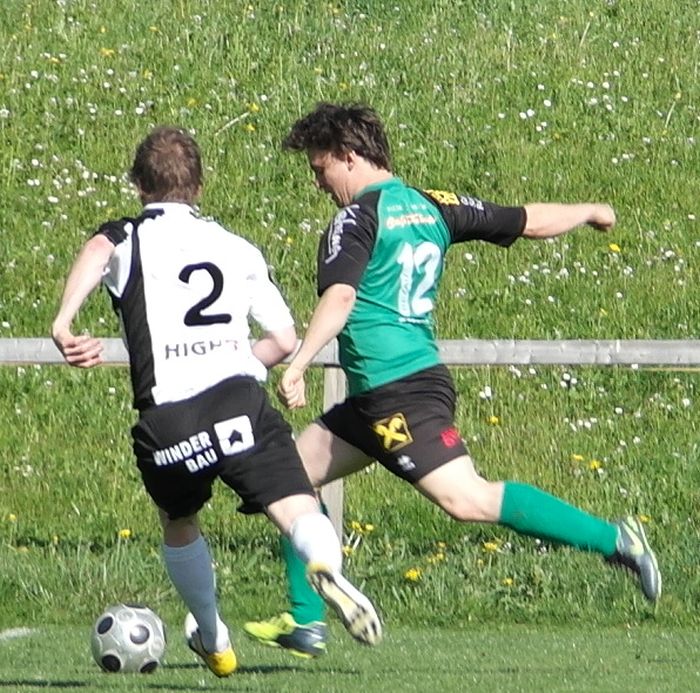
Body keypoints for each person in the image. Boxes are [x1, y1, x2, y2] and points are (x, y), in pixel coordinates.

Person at [243, 102, 661, 657]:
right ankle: (306, 621)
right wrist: (588, 210)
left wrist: (298, 365)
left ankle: (616, 539)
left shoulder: (356, 218)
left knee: (467, 499)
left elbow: (340, 297)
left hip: (397, 392)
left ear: (348, 156)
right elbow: (526, 219)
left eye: (321, 168)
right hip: (381, 393)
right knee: (289, 479)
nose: (319, 183)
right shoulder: (433, 204)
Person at [51, 125, 382, 678]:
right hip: (238, 401)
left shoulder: (127, 237)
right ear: (199, 186)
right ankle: (327, 565)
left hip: (169, 418)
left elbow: (97, 249)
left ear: (138, 184)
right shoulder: (236, 246)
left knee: (178, 520)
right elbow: (282, 339)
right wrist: (237, 362)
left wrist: (64, 323)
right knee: (297, 505)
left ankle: (212, 635)